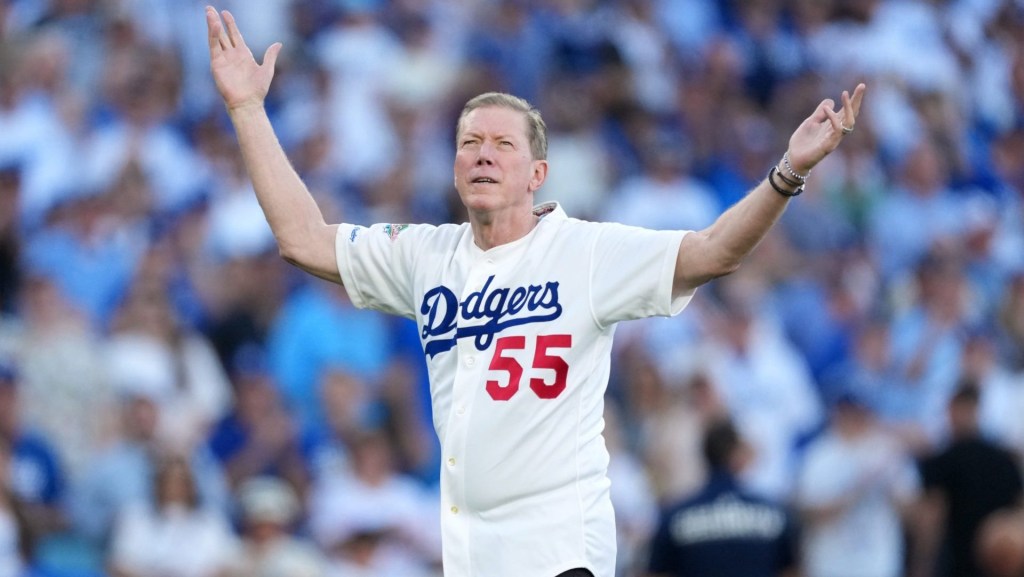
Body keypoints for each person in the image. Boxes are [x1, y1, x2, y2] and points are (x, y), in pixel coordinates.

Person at [205, 7, 866, 576]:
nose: (483, 154)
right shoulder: (426, 254)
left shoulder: (587, 251)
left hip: (558, 546)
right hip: (473, 547)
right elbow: (303, 239)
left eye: (502, 144)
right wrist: (246, 109)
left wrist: (786, 172)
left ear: (538, 173)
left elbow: (714, 251)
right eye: (469, 143)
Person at [645, 418, 800, 577]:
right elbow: (791, 571)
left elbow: (655, 573)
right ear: (737, 456)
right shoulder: (775, 514)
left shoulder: (675, 517)